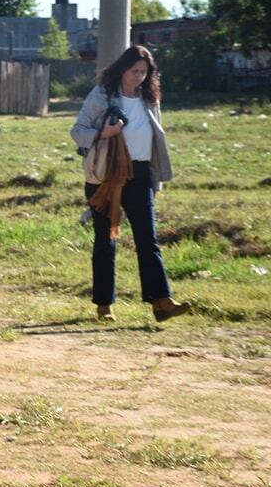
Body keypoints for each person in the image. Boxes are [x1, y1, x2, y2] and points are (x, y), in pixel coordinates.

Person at [71, 45, 190, 322]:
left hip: (140, 175)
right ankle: (104, 305)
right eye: (134, 71)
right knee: (106, 239)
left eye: (144, 72)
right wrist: (104, 132)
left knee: (148, 238)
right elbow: (78, 132)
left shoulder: (150, 99)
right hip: (106, 176)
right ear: (122, 69)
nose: (139, 77)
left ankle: (161, 301)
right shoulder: (102, 95)